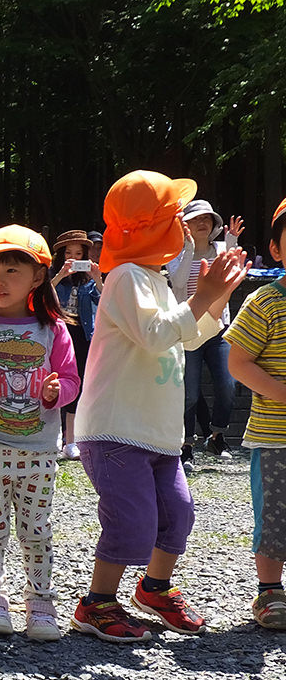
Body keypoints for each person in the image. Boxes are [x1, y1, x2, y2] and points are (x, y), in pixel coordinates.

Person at [71, 171, 247, 642]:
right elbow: (154, 335)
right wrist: (203, 297)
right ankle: (97, 603)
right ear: (151, 229)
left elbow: (187, 336)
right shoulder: (126, 277)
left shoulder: (155, 280)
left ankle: (154, 588)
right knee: (132, 520)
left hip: (157, 432)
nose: (185, 228)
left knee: (178, 514)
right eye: (176, 218)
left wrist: (216, 300)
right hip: (116, 430)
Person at [0, 226, 79, 640]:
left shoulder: (54, 330)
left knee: (37, 527)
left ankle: (40, 601)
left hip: (39, 448)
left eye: (10, 270)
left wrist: (58, 391)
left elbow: (74, 380)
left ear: (37, 277)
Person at [224, 196, 286, 630]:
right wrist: (279, 392)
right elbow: (237, 362)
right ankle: (269, 592)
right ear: (277, 249)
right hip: (276, 434)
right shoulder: (266, 301)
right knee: (275, 515)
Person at [166, 199, 243, 468]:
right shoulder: (176, 253)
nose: (202, 223)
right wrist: (188, 249)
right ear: (184, 225)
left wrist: (231, 243)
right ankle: (186, 443)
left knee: (228, 385)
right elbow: (177, 283)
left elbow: (232, 272)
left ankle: (217, 435)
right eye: (196, 219)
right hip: (188, 329)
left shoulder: (222, 249)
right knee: (189, 392)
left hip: (218, 329)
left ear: (214, 225)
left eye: (207, 219)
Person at [50, 229, 103, 460]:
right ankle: (54, 437)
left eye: (78, 254)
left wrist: (98, 279)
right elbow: (39, 296)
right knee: (52, 382)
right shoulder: (52, 275)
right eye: (68, 253)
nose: (73, 258)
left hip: (82, 335)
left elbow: (104, 302)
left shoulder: (87, 281)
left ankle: (71, 440)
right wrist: (60, 275)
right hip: (57, 333)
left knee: (77, 385)